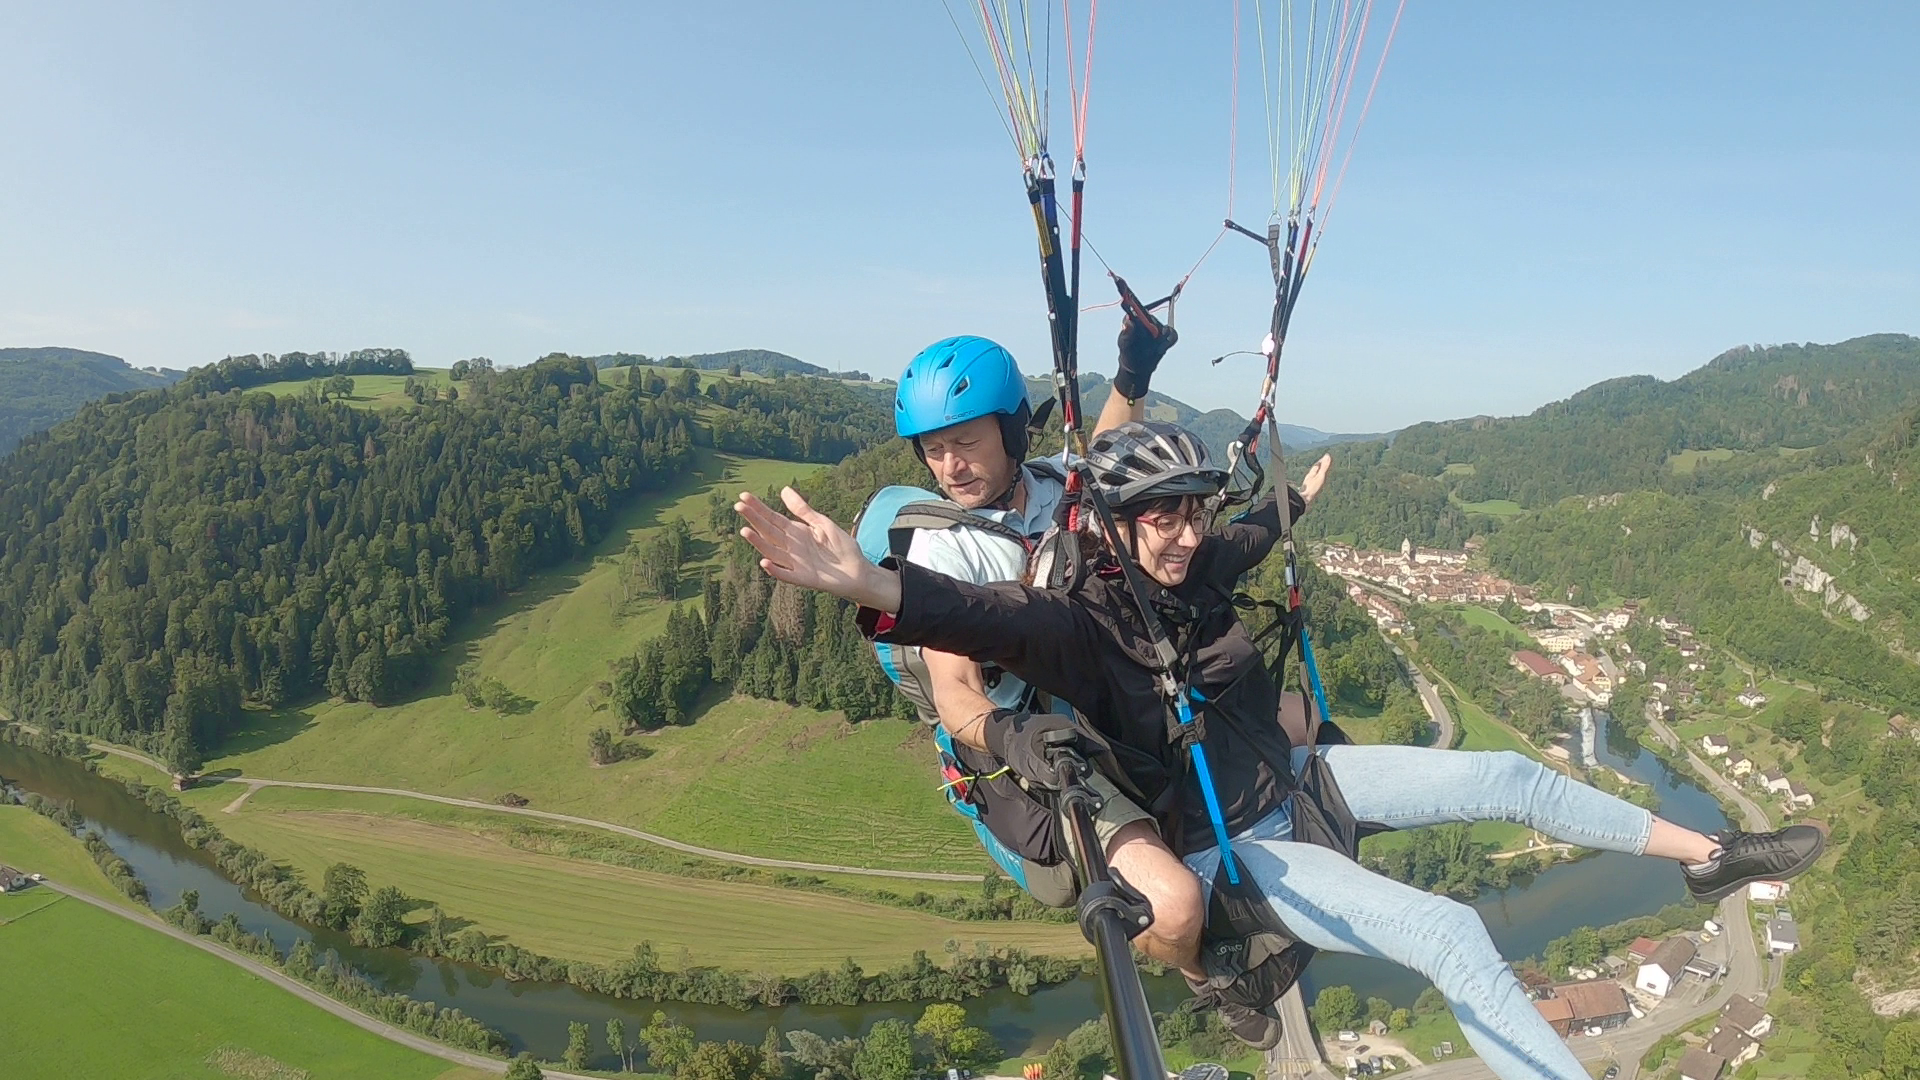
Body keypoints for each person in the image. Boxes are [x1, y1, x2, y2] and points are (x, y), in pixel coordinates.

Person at [732, 420, 1825, 1079]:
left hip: (1294, 782)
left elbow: (1251, 530)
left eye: (1194, 513)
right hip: (1234, 848)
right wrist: (869, 584)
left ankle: (1705, 854)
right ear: (1113, 524)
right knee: (1449, 934)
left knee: (1504, 775)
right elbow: (976, 622)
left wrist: (1292, 498)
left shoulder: (1198, 562)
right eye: (1162, 518)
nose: (1188, 534)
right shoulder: (1073, 624)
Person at [877, 322, 1210, 975]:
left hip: (1104, 693)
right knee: (1174, 907)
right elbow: (954, 691)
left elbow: (1106, 444)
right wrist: (1008, 739)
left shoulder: (1056, 484)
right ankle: (1208, 979)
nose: (951, 466)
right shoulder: (945, 549)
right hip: (1040, 744)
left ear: (1011, 433)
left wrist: (1132, 373)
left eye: (966, 443)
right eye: (935, 450)